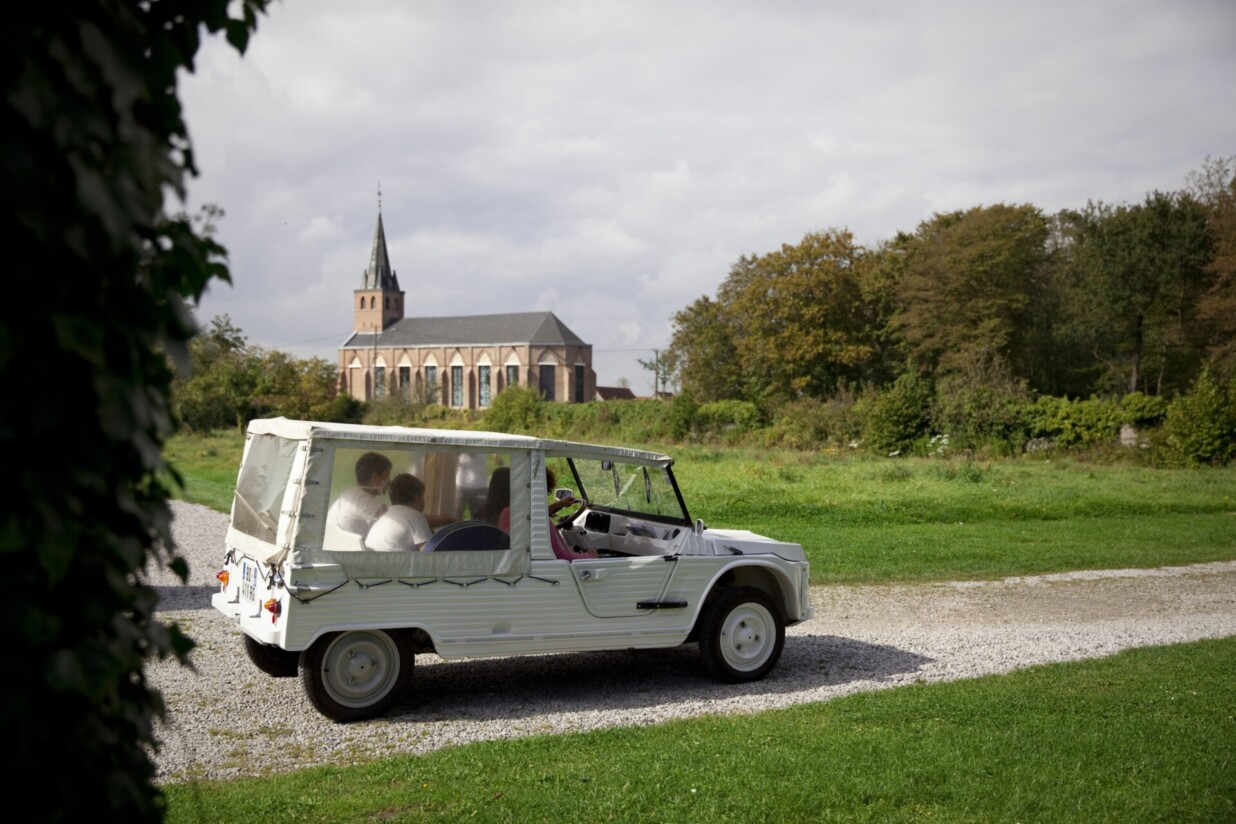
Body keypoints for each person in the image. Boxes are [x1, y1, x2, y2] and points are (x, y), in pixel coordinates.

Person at [498, 467, 597, 561]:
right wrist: (589, 555)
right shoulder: (540, 520)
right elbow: (560, 556)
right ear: (540, 490)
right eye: (547, 491)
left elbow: (531, 513)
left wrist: (558, 504)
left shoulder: (507, 512)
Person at [327, 452, 392, 537]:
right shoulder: (364, 500)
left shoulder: (349, 494)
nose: (389, 481)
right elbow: (393, 525)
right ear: (374, 477)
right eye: (386, 477)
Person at [366, 474, 433, 551]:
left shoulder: (387, 514)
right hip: (392, 562)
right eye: (422, 496)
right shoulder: (416, 516)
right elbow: (429, 554)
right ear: (417, 497)